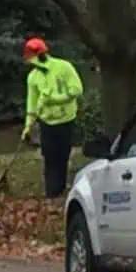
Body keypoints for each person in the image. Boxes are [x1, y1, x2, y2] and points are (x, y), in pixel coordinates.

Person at [21, 37, 83, 198]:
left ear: (41, 55)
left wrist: (54, 99)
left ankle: (61, 187)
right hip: (46, 122)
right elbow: (32, 102)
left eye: (32, 58)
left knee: (62, 155)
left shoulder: (64, 67)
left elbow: (77, 90)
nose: (30, 62)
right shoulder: (33, 77)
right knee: (49, 157)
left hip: (65, 120)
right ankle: (51, 192)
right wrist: (28, 125)